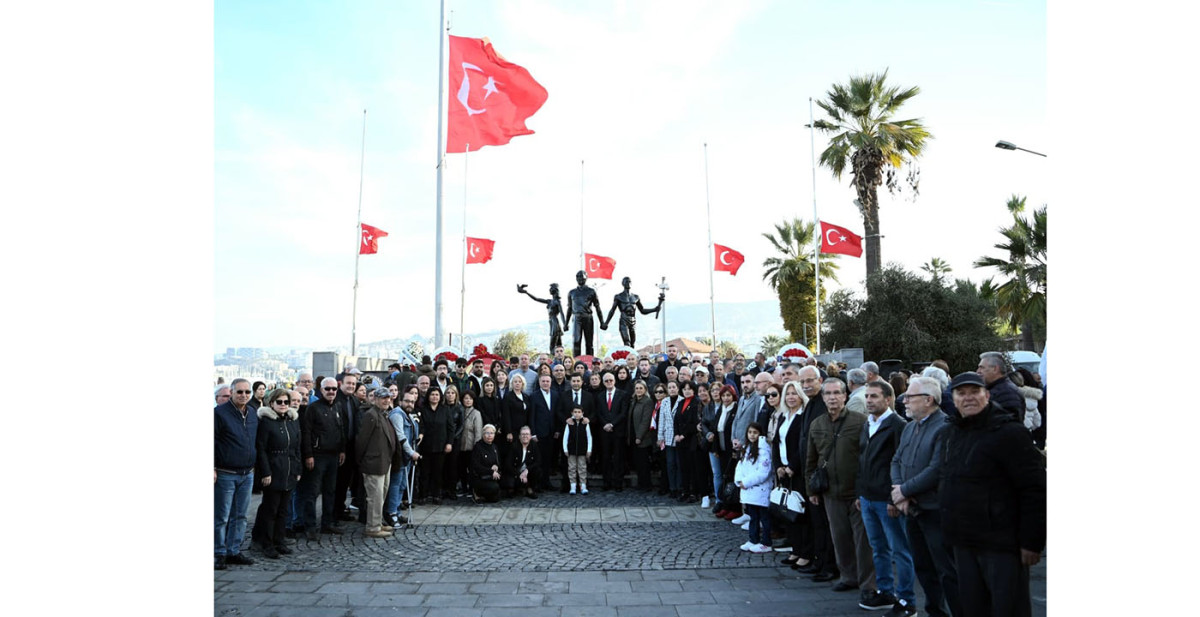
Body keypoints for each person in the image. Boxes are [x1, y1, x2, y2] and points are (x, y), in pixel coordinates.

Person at [940, 372, 1046, 617]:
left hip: (1001, 545)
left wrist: (1032, 542)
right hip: (963, 542)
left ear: (986, 395)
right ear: (953, 399)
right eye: (961, 393)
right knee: (974, 609)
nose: (968, 398)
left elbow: (1034, 488)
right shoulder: (953, 432)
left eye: (974, 392)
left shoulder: (1010, 432)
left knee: (1009, 610)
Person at [891, 376, 961, 617]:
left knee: (946, 570)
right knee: (923, 567)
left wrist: (904, 491)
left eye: (910, 397)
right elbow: (897, 460)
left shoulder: (944, 427)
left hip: (934, 510)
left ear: (929, 399)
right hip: (913, 510)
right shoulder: (910, 426)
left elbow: (936, 469)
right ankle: (935, 611)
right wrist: (899, 490)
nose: (905, 401)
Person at [807, 378, 876, 604]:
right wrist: (812, 489)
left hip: (856, 492)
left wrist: (864, 490)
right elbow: (811, 459)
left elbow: (869, 458)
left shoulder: (860, 421)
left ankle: (868, 585)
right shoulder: (817, 424)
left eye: (837, 393)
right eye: (828, 393)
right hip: (830, 492)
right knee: (840, 538)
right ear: (823, 397)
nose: (832, 397)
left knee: (862, 542)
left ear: (845, 396)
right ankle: (848, 576)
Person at [856, 381, 915, 613]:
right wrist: (860, 492)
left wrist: (894, 498)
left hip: (887, 499)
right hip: (868, 498)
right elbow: (862, 461)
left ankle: (906, 599)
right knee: (878, 547)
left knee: (899, 550)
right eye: (867, 396)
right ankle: (885, 591)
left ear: (888, 399)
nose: (869, 400)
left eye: (874, 396)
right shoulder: (866, 424)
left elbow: (901, 463)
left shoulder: (898, 425)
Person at [215, 378, 259, 570]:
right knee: (222, 516)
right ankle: (219, 552)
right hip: (225, 473)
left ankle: (234, 550)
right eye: (240, 392)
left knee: (240, 516)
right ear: (231, 392)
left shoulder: (252, 413)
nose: (244, 395)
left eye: (247, 392)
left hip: (247, 473)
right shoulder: (219, 414)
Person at [252, 388, 301, 559]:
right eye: (279, 402)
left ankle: (280, 540)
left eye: (286, 402)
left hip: (289, 470)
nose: (283, 405)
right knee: (270, 509)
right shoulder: (266, 422)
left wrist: (298, 469)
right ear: (271, 403)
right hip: (273, 470)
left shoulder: (292, 421)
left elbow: (297, 448)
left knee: (283, 509)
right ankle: (266, 543)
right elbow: (261, 449)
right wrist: (265, 472)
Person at [299, 377, 347, 541]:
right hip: (317, 456)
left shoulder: (338, 406)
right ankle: (310, 526)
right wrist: (309, 454)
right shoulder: (312, 409)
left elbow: (341, 430)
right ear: (321, 390)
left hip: (334, 456)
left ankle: (327, 523)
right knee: (311, 493)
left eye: (334, 389)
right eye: (328, 389)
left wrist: (342, 450)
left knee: (330, 491)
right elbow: (307, 433)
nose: (331, 392)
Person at [356, 387, 399, 538]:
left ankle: (378, 522)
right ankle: (373, 527)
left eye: (388, 398)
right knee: (375, 497)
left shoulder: (383, 414)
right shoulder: (371, 415)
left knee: (381, 496)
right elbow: (362, 440)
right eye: (383, 398)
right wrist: (362, 460)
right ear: (375, 399)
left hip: (384, 462)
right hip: (373, 463)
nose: (387, 400)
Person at [735, 422, 774, 553]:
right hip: (749, 490)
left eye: (755, 432)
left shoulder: (764, 450)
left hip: (759, 489)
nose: (752, 435)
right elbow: (740, 466)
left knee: (764, 517)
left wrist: (746, 482)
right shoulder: (746, 448)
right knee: (753, 517)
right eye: (750, 432)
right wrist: (739, 480)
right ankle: (753, 539)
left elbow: (763, 472)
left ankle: (766, 542)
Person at [385, 389, 421, 527]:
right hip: (399, 456)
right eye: (407, 401)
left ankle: (397, 511)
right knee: (395, 485)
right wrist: (411, 452)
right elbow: (401, 437)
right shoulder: (397, 415)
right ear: (400, 401)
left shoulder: (410, 416)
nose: (409, 404)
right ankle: (391, 512)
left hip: (407, 458)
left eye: (412, 402)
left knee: (402, 485)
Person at [708, 385, 739, 520]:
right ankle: (725, 505)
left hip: (731, 450)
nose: (726, 398)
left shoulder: (736, 409)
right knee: (724, 479)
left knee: (732, 479)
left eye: (728, 396)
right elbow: (715, 429)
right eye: (724, 396)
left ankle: (734, 508)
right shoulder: (721, 409)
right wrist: (715, 449)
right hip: (721, 449)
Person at [417, 386, 451, 505]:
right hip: (426, 445)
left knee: (438, 472)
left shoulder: (445, 409)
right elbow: (421, 426)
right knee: (424, 472)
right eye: (432, 394)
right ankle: (423, 495)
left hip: (441, 446)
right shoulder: (422, 409)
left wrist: (449, 443)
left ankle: (437, 495)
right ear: (428, 396)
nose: (434, 397)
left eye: (437, 394)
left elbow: (450, 428)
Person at [596, 371, 630, 491]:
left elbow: (623, 412)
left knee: (618, 458)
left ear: (614, 381)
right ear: (603, 382)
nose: (609, 382)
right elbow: (598, 413)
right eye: (606, 381)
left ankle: (618, 483)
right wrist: (605, 424)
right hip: (604, 431)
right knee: (605, 457)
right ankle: (607, 482)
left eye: (611, 380)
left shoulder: (623, 394)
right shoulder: (599, 396)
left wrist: (612, 424)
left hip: (618, 431)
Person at [528, 374, 559, 491]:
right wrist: (533, 433)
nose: (545, 383)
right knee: (538, 460)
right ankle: (538, 484)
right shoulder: (534, 396)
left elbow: (556, 413)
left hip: (551, 433)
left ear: (551, 382)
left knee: (548, 460)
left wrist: (557, 430)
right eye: (543, 381)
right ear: (539, 382)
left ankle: (547, 482)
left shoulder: (555, 394)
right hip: (539, 433)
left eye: (547, 381)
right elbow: (532, 416)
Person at [517, 283, 567, 352]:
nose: (549, 290)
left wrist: (565, 324)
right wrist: (526, 292)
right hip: (551, 322)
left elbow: (562, 314)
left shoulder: (557, 302)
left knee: (553, 345)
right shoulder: (550, 301)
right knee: (558, 344)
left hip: (555, 322)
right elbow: (536, 299)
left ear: (555, 290)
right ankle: (559, 359)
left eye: (551, 288)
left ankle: (555, 359)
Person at [673, 381, 701, 502]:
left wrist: (683, 434)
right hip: (680, 440)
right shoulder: (680, 403)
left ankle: (694, 492)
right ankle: (685, 490)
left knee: (692, 467)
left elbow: (694, 422)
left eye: (689, 389)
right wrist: (676, 434)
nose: (687, 391)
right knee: (683, 467)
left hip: (691, 440)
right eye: (684, 389)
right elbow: (676, 420)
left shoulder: (696, 403)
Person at [977, 352, 1025, 422]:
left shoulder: (1007, 393)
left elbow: (1008, 426)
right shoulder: (997, 389)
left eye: (982, 367)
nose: (978, 371)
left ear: (995, 369)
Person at [627, 380, 656, 491]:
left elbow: (646, 420)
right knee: (638, 462)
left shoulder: (647, 402)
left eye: (641, 388)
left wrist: (639, 436)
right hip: (633, 435)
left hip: (642, 437)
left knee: (644, 462)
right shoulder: (634, 401)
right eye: (637, 388)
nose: (638, 390)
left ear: (645, 390)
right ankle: (641, 483)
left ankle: (646, 484)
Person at [656, 381, 682, 497]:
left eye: (674, 387)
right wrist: (660, 437)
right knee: (670, 463)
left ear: (677, 388)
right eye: (670, 387)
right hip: (667, 437)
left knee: (679, 463)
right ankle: (672, 488)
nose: (672, 389)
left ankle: (679, 487)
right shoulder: (665, 401)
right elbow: (661, 420)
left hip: (679, 437)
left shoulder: (682, 400)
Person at [561, 406, 593, 494]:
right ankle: (573, 486)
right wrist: (565, 449)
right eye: (575, 412)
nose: (577, 414)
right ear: (572, 413)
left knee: (582, 468)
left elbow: (589, 437)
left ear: (582, 413)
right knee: (572, 468)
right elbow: (565, 437)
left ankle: (583, 486)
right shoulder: (569, 423)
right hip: (571, 450)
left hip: (582, 450)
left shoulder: (585, 423)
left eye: (579, 412)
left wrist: (589, 449)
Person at [441, 385, 465, 500]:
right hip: (442, 439)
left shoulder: (459, 408)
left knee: (453, 465)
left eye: (452, 393)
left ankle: (452, 489)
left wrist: (452, 438)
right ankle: (443, 489)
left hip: (455, 440)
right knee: (443, 465)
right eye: (448, 393)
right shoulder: (442, 407)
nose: (450, 395)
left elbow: (461, 425)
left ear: (456, 395)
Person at [503, 426, 541, 498]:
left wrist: (527, 470)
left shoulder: (533, 445)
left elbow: (538, 461)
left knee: (538, 471)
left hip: (527, 472)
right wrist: (519, 474)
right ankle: (514, 489)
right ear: (519, 436)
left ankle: (530, 489)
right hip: (515, 472)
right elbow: (508, 464)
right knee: (510, 484)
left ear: (530, 436)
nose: (525, 436)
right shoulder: (514, 446)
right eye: (523, 434)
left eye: (527, 434)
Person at [458, 390, 484, 497]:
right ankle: (463, 488)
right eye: (466, 398)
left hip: (471, 445)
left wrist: (477, 446)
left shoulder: (476, 413)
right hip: (460, 445)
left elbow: (478, 431)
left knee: (471, 468)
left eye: (470, 398)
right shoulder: (459, 411)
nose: (468, 401)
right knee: (461, 468)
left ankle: (471, 489)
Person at [470, 425, 502, 503]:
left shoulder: (494, 447)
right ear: (483, 434)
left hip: (491, 477)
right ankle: (476, 492)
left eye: (492, 433)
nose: (489, 435)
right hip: (480, 477)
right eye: (487, 433)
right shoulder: (478, 447)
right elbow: (476, 466)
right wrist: (490, 471)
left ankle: (484, 495)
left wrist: (496, 465)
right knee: (495, 488)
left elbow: (499, 462)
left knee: (496, 498)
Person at [501, 374, 530, 449]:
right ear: (512, 384)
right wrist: (509, 432)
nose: (517, 383)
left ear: (522, 384)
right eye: (515, 382)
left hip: (524, 430)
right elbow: (506, 415)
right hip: (513, 430)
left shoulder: (526, 396)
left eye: (519, 382)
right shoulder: (508, 396)